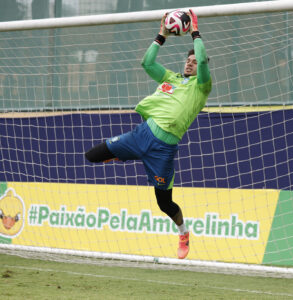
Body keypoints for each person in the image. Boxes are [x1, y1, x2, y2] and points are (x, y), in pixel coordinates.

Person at [85, 9, 211, 260]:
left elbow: (204, 61)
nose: (190, 62)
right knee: (92, 156)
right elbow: (147, 63)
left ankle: (183, 233)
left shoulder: (202, 87)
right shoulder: (170, 78)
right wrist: (161, 35)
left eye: (194, 61)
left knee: (164, 204)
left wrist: (195, 32)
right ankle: (123, 155)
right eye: (188, 60)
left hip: (163, 151)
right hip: (141, 135)